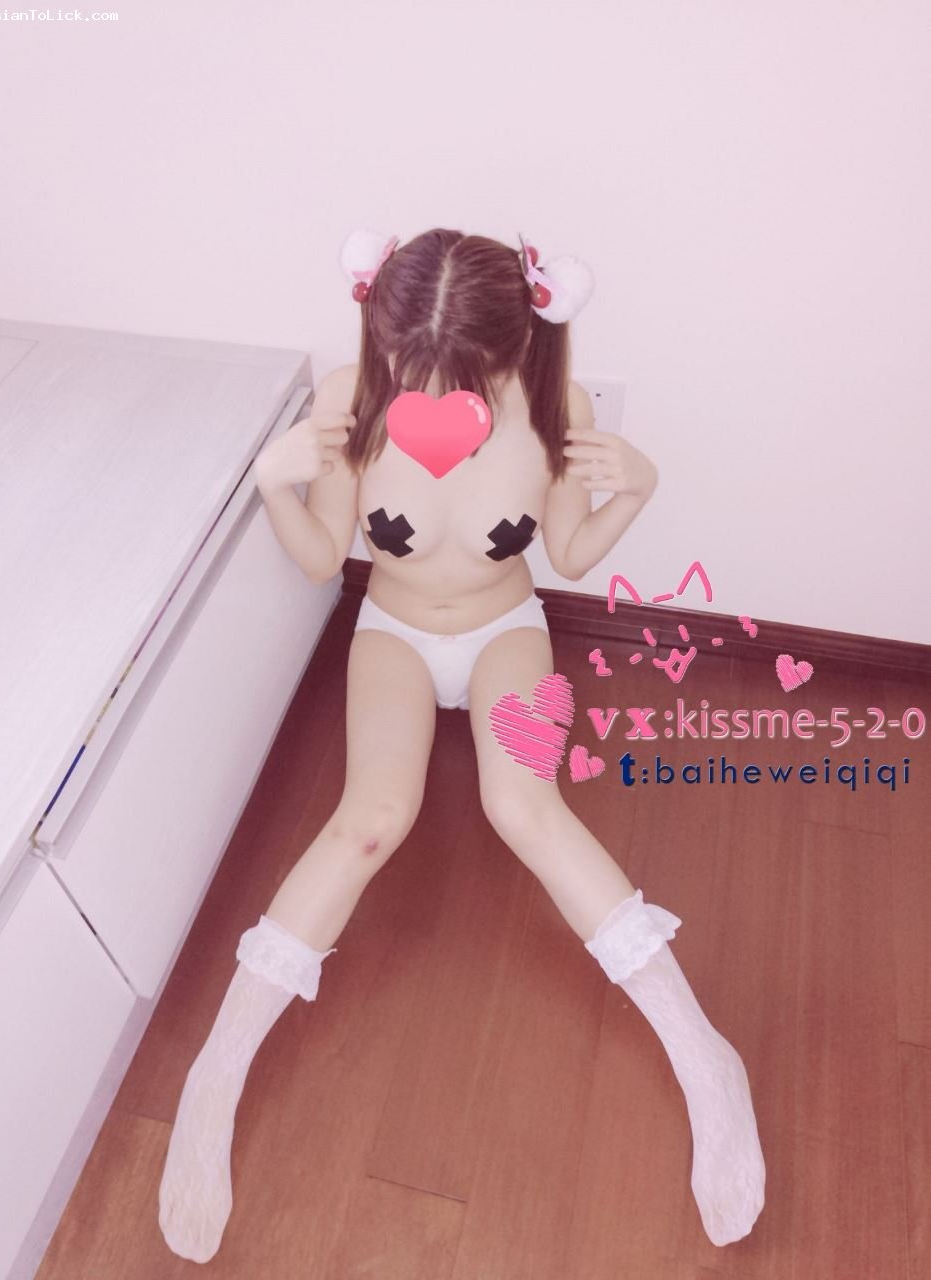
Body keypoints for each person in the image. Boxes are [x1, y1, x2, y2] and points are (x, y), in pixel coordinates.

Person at [158, 227, 765, 1262]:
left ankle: (703, 1052)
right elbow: (323, 561)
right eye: (410, 363)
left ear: (511, 346)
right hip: (392, 635)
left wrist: (639, 486)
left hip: (505, 631)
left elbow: (568, 551)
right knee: (368, 819)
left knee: (524, 806)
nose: (429, 387)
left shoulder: (555, 408)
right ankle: (214, 1071)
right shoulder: (352, 397)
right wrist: (270, 484)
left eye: (458, 372)